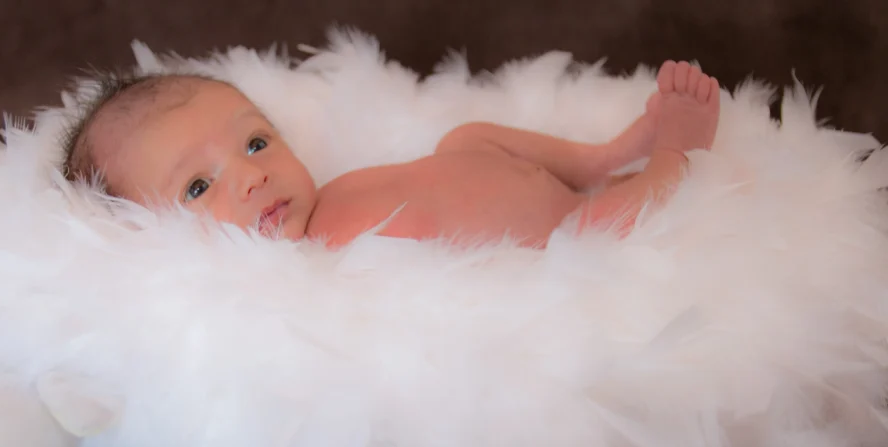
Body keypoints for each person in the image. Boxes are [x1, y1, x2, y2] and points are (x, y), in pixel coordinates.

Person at [63, 60, 719, 247]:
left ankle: (603, 157)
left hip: (501, 171)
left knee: (462, 140)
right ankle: (674, 159)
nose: (254, 175)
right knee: (597, 227)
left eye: (256, 142)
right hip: (554, 232)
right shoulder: (301, 287)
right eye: (198, 189)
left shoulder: (325, 205)